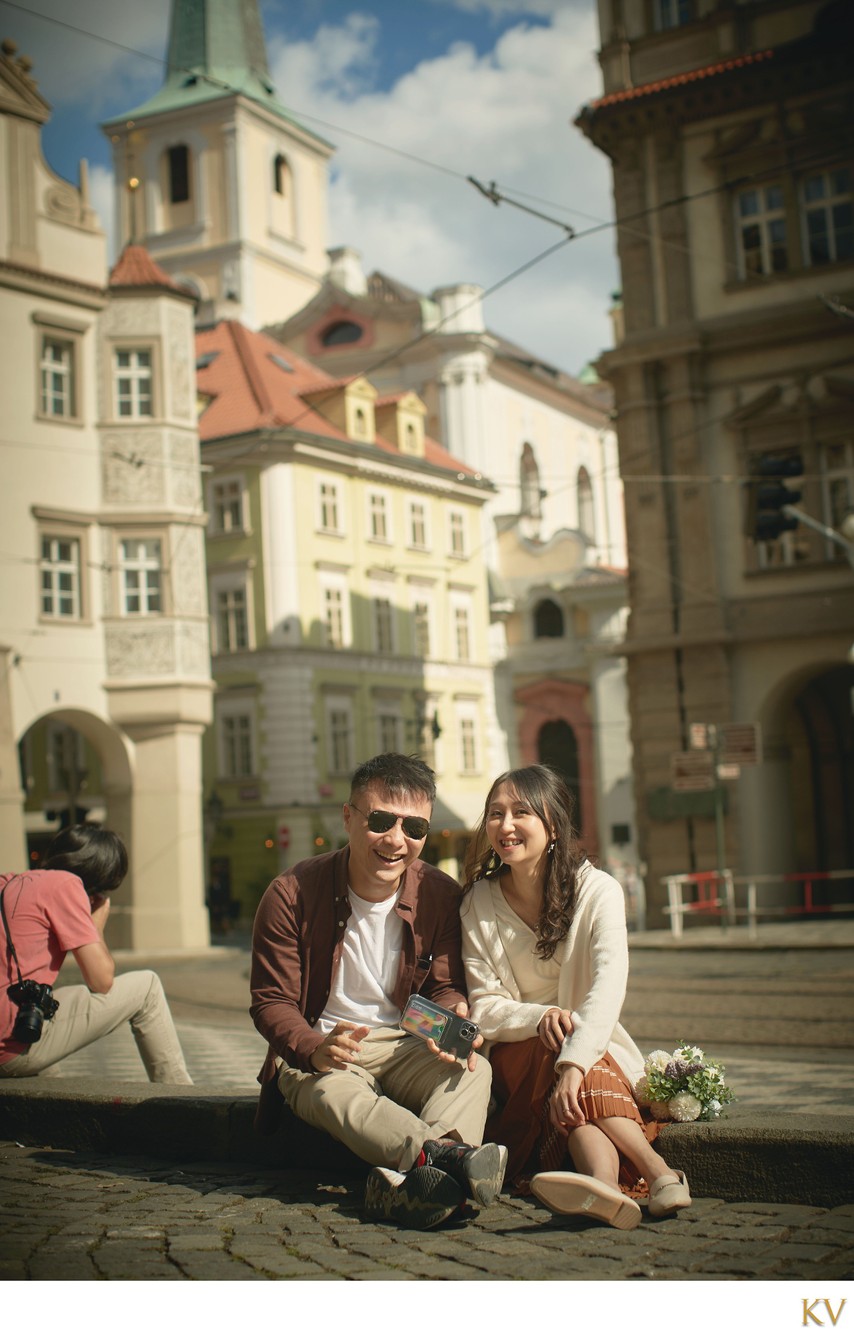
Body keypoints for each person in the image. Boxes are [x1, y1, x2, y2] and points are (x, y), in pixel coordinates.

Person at [250, 753, 507, 1230]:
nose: (396, 841)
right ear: (348, 817)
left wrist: (451, 1021)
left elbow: (445, 987)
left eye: (414, 829)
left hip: (405, 1043)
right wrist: (313, 1047)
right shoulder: (290, 893)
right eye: (382, 821)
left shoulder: (440, 893)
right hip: (326, 1045)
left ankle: (414, 1186)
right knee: (331, 1093)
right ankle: (450, 1161)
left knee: (474, 1072)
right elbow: (271, 1001)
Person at [460, 765, 690, 1229]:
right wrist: (541, 1017)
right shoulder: (477, 903)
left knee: (574, 1071)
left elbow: (609, 984)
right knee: (561, 1046)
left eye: (520, 812)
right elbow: (484, 1007)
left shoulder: (598, 890)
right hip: (517, 1055)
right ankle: (659, 1173)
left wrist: (573, 1063)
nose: (504, 826)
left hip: (588, 1048)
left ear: (553, 824)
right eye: (495, 813)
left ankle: (602, 1187)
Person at [0, 823, 192, 1084]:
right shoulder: (66, 884)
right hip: (11, 1046)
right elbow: (101, 981)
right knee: (147, 987)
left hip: (9, 1028)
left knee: (62, 1000)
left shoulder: (8, 882)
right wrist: (96, 927)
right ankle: (182, 1102)